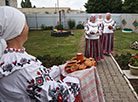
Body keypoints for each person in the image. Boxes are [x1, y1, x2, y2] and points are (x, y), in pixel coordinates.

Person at [0, 6, 80, 102]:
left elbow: (37, 77)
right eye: (25, 24)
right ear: (17, 30)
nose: (27, 27)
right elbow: (59, 96)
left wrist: (60, 68)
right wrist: (77, 78)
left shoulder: (8, 58)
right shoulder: (24, 67)